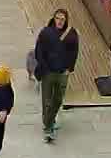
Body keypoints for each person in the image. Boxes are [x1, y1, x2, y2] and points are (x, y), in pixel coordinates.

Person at [33, 9, 80, 140]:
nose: (59, 21)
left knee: (58, 99)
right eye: (57, 18)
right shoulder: (46, 33)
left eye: (62, 19)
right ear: (54, 19)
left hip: (62, 73)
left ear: (66, 20)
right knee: (47, 101)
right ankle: (48, 127)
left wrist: (69, 69)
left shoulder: (71, 34)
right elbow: (39, 52)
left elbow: (74, 52)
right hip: (48, 72)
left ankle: (49, 121)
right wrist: (44, 67)